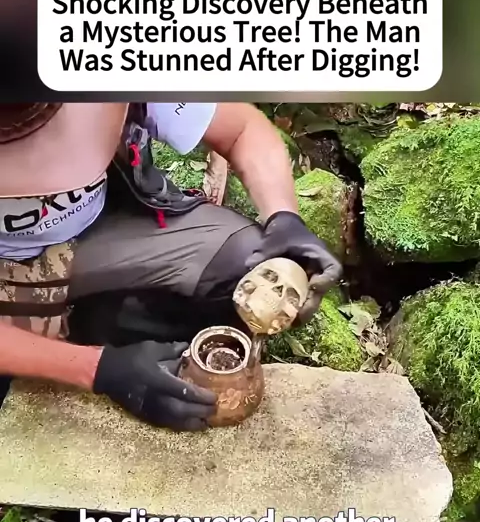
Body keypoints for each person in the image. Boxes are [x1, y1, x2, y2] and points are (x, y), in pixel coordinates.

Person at [0, 102, 341, 431]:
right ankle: (79, 347)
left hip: (103, 233)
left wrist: (284, 219)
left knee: (247, 263)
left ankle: (107, 325)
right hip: (6, 269)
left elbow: (242, 129)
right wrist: (98, 370)